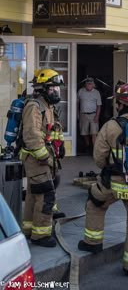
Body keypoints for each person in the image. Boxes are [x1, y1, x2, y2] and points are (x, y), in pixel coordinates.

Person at [78, 83, 128, 276]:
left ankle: (93, 243)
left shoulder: (109, 127)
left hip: (113, 184)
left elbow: (99, 158)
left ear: (120, 105)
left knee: (95, 204)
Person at [21, 68, 65, 247]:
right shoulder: (34, 106)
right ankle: (41, 235)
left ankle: (29, 229)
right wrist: (46, 157)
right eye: (53, 88)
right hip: (36, 158)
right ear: (43, 88)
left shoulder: (47, 106)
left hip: (45, 156)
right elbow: (31, 136)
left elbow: (53, 129)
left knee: (34, 194)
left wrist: (59, 145)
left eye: (57, 88)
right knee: (46, 194)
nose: (57, 91)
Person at [77, 77, 102, 152]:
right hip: (83, 114)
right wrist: (77, 114)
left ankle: (95, 150)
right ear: (85, 84)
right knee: (84, 132)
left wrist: (97, 116)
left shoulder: (96, 92)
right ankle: (88, 145)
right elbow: (77, 103)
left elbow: (99, 105)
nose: (89, 85)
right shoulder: (81, 91)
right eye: (87, 84)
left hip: (93, 115)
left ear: (93, 85)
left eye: (90, 84)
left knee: (94, 133)